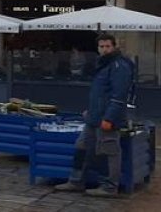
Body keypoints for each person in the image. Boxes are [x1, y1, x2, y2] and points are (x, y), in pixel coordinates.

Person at [54, 33, 135, 198]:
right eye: (102, 46)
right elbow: (99, 93)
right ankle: (76, 181)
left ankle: (110, 186)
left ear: (114, 47)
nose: (105, 49)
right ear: (97, 48)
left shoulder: (119, 66)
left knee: (110, 151)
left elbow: (119, 95)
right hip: (94, 117)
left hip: (107, 118)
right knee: (81, 146)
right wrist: (90, 111)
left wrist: (109, 118)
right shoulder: (103, 64)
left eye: (108, 46)